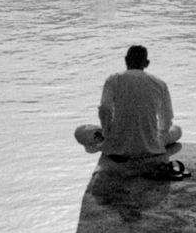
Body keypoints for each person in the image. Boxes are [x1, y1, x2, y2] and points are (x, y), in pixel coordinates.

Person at [73, 44, 187, 179]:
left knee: (80, 130)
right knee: (177, 130)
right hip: (151, 147)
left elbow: (105, 109)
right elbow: (166, 118)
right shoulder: (160, 83)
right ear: (146, 63)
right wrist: (157, 138)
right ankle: (154, 142)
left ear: (126, 60)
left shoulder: (113, 79)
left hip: (117, 146)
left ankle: (106, 139)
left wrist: (107, 133)